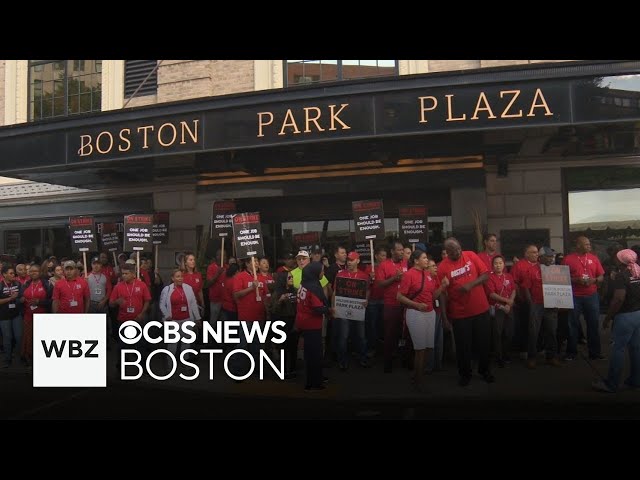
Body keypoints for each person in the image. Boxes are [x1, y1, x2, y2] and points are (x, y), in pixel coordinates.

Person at [437, 237, 494, 386]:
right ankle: (465, 374)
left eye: (459, 249)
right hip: (460, 314)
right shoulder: (442, 267)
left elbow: (486, 274)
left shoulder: (471, 255)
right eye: (454, 251)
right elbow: (442, 294)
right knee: (463, 347)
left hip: (481, 309)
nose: (458, 252)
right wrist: (444, 317)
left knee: (484, 344)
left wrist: (471, 285)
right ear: (447, 252)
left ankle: (484, 370)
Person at [397, 249, 448, 390]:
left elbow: (433, 296)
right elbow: (399, 296)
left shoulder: (428, 274)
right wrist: (416, 305)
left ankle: (417, 375)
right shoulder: (409, 275)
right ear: (416, 261)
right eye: (424, 258)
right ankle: (419, 380)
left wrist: (443, 286)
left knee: (428, 348)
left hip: (430, 314)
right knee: (420, 349)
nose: (427, 260)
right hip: (415, 313)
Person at [592, 249, 640, 393]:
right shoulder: (637, 272)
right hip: (638, 314)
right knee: (636, 349)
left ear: (620, 261)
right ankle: (635, 380)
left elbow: (619, 299)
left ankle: (611, 384)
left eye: (616, 258)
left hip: (625, 316)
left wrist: (608, 318)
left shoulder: (622, 276)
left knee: (617, 349)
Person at [562, 236, 605, 361]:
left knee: (593, 324)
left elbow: (601, 275)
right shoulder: (568, 259)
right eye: (586, 244)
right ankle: (571, 353)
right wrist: (576, 280)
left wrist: (595, 280)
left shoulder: (594, 258)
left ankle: (595, 353)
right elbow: (562, 277)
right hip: (574, 296)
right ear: (578, 246)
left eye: (589, 244)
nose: (589, 246)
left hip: (591, 296)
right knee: (572, 325)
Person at [522, 247, 563, 368]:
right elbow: (526, 288)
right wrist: (531, 304)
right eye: (549, 256)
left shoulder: (556, 270)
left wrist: (559, 302)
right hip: (537, 305)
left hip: (551, 305)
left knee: (551, 331)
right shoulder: (531, 270)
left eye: (552, 257)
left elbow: (560, 287)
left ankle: (551, 357)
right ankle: (532, 357)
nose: (551, 259)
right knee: (534, 332)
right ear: (540, 258)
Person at [296, 261, 334, 391]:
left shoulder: (304, 283)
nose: (323, 273)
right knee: (315, 354)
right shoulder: (313, 287)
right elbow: (317, 308)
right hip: (312, 324)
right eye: (321, 271)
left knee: (310, 353)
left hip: (304, 322)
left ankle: (315, 377)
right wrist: (329, 310)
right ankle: (314, 383)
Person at [333, 251, 371, 371]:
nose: (349, 262)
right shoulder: (340, 275)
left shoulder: (364, 276)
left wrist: (366, 300)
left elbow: (368, 290)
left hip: (358, 309)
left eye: (352, 260)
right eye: (348, 260)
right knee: (343, 336)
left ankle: (363, 358)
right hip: (343, 310)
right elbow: (335, 292)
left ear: (358, 261)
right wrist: (333, 307)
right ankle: (342, 360)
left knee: (361, 336)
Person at [159, 269, 202, 371]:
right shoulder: (167, 289)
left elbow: (193, 304)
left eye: (181, 276)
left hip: (187, 319)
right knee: (172, 343)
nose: (180, 278)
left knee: (186, 343)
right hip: (173, 321)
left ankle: (185, 362)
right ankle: (170, 364)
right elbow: (162, 304)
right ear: (172, 278)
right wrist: (166, 315)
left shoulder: (188, 288)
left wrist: (198, 318)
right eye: (177, 276)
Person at [485, 255, 516, 368]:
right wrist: (506, 301)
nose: (498, 265)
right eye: (496, 263)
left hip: (509, 308)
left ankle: (507, 354)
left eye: (500, 263)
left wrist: (510, 302)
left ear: (504, 264)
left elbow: (513, 289)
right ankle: (499, 357)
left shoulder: (508, 276)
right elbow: (492, 294)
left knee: (509, 333)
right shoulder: (490, 277)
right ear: (492, 265)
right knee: (497, 334)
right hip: (497, 308)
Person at [21, 264, 53, 367]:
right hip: (28, 315)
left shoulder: (47, 284)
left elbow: (52, 301)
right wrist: (20, 300)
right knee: (28, 337)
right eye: (31, 271)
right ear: (28, 273)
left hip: (42, 315)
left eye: (36, 271)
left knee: (41, 338)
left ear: (40, 272)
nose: (33, 273)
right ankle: (28, 356)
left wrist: (40, 301)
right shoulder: (26, 284)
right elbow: (20, 297)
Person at [271, 270, 298, 379]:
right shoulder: (277, 293)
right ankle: (282, 371)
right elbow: (272, 310)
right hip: (281, 323)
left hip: (293, 322)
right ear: (283, 280)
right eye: (289, 278)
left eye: (292, 277)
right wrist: (280, 301)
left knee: (293, 348)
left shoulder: (295, 291)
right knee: (283, 349)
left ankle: (292, 369)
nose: (291, 279)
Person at [0, 265, 23, 368]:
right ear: (4, 274)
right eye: (10, 273)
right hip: (4, 316)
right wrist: (10, 299)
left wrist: (21, 299)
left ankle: (20, 358)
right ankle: (7, 359)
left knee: (19, 337)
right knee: (7, 338)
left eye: (13, 273)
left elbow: (22, 296)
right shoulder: (1, 285)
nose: (13, 275)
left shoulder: (18, 284)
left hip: (16, 314)